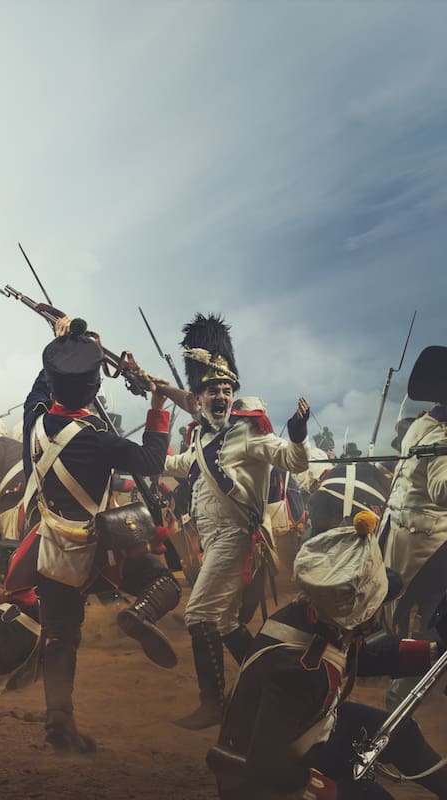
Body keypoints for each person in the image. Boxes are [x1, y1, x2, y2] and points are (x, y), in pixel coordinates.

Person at [5, 317, 180, 753]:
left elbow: (37, 391)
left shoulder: (33, 420)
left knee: (62, 637)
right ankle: (139, 616)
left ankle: (58, 720)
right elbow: (153, 459)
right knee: (165, 584)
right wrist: (158, 403)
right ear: (95, 391)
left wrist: (63, 344)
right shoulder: (100, 439)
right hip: (95, 548)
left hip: (49, 547)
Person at [210, 511, 447, 799]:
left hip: (314, 728)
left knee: (403, 734)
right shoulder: (301, 674)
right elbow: (267, 763)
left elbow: (363, 657)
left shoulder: (315, 617)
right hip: (275, 773)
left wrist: (435, 653)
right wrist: (334, 788)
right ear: (358, 615)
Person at [162, 313, 311, 729]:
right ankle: (272, 687)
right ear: (199, 397)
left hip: (236, 537)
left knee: (199, 617)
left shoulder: (249, 433)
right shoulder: (199, 438)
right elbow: (177, 464)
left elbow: (292, 460)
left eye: (228, 389)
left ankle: (214, 705)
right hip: (211, 540)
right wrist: (137, 451)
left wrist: (297, 434)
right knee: (224, 621)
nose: (222, 396)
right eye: (214, 390)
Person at [381, 346, 447, 707]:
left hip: (400, 539)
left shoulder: (420, 424)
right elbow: (441, 490)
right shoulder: (440, 435)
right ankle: (399, 706)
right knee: (427, 630)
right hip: (431, 551)